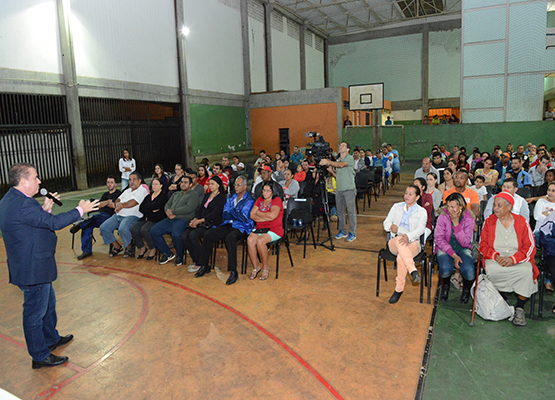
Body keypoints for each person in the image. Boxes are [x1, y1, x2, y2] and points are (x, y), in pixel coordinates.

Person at [0, 163, 99, 368]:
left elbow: (31, 222)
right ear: (24, 181)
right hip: (32, 268)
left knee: (47, 304)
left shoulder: (12, 200)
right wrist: (81, 209)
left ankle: (50, 338)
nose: (39, 181)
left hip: (31, 264)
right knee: (34, 313)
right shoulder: (23, 204)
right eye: (35, 177)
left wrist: (44, 209)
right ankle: (40, 355)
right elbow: (53, 224)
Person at [479, 191, 539, 326]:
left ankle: (520, 308)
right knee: (492, 270)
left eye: (499, 206)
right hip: (495, 258)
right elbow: (483, 245)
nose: (495, 208)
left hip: (518, 259)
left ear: (509, 207)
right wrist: (496, 256)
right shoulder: (489, 221)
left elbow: (530, 247)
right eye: (495, 205)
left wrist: (513, 259)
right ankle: (501, 299)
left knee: (525, 272)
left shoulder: (521, 222)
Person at [191, 176, 254, 285]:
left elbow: (244, 217)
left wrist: (231, 213)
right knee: (208, 234)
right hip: (228, 224)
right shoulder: (231, 197)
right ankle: (205, 265)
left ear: (245, 186)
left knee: (230, 238)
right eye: (235, 185)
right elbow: (224, 213)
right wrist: (234, 213)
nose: (236, 187)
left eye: (239, 185)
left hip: (242, 227)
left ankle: (233, 271)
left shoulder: (249, 200)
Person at [382, 185, 427, 304]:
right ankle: (412, 270)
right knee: (399, 240)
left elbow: (421, 230)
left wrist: (409, 237)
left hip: (413, 243)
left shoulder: (422, 211)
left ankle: (399, 289)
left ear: (417, 197)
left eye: (410, 194)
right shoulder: (396, 207)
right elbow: (386, 222)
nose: (406, 196)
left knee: (401, 259)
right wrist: (390, 226)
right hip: (395, 242)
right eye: (406, 193)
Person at [435, 193, 476, 303]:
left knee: (469, 271)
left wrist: (456, 224)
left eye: (452, 207)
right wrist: (454, 255)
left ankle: (466, 290)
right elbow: (439, 239)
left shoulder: (469, 218)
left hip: (463, 248)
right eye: (448, 206)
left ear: (461, 207)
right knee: (445, 268)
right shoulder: (443, 216)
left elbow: (465, 242)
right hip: (445, 248)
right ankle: (445, 286)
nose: (449, 209)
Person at [150, 176, 200, 265]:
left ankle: (180, 256)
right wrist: (168, 212)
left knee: (176, 235)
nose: (183, 184)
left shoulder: (193, 195)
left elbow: (189, 208)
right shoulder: (176, 194)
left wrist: (173, 211)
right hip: (170, 219)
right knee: (154, 231)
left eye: (185, 182)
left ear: (191, 185)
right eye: (181, 182)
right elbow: (167, 205)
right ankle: (167, 253)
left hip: (183, 219)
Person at [183, 176, 227, 276]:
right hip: (201, 222)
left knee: (193, 235)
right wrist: (195, 219)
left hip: (212, 223)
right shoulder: (207, 196)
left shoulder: (221, 197)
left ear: (218, 185)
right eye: (209, 184)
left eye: (212, 184)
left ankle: (202, 263)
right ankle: (197, 260)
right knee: (184, 235)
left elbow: (215, 213)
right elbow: (200, 209)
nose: (210, 186)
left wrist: (199, 221)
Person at [99, 172, 149, 258]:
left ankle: (129, 247)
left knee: (123, 229)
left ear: (140, 181)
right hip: (118, 215)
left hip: (132, 216)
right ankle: (117, 247)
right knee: (104, 227)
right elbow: (117, 200)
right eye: (130, 180)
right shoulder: (127, 190)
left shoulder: (142, 190)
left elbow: (134, 202)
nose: (131, 181)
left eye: (134, 179)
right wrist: (118, 204)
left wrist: (122, 205)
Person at [72, 176, 121, 260]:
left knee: (93, 218)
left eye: (111, 182)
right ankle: (86, 251)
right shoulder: (105, 195)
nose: (109, 184)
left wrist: (106, 203)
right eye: (108, 182)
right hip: (101, 216)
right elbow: (99, 205)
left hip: (111, 217)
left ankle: (81, 224)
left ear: (115, 184)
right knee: (88, 226)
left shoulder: (118, 194)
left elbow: (113, 205)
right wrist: (107, 202)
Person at [320, 142, 357, 242]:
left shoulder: (349, 158)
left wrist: (328, 162)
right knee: (340, 212)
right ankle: (343, 231)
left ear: (348, 149)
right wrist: (332, 172)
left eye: (343, 146)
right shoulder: (337, 160)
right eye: (340, 145)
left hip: (349, 189)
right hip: (339, 190)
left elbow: (341, 165)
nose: (340, 147)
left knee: (351, 212)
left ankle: (353, 232)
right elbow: (339, 176)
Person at [247, 181, 284, 281]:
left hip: (274, 229)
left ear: (272, 192)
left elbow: (273, 216)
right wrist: (265, 218)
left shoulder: (277, 200)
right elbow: (251, 215)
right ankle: (256, 267)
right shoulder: (259, 200)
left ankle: (265, 268)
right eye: (264, 190)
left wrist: (259, 213)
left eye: (268, 191)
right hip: (260, 227)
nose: (265, 193)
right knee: (250, 240)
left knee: (260, 241)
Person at [130, 177, 168, 260]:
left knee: (144, 230)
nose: (153, 186)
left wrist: (148, 208)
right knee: (134, 228)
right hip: (146, 218)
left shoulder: (163, 196)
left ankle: (152, 248)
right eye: (153, 184)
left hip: (157, 219)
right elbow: (141, 208)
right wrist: (151, 209)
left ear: (161, 186)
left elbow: (158, 207)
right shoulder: (149, 196)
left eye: (156, 184)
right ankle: (142, 247)